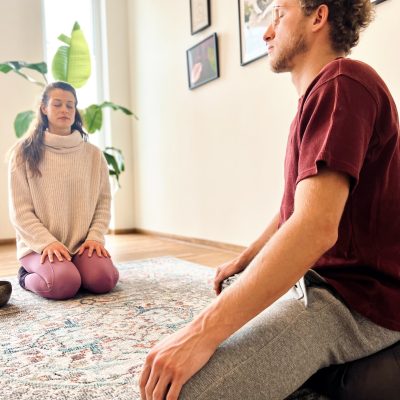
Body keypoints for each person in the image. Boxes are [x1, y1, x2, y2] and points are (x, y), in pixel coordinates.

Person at [139, 1, 400, 399]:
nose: (266, 32)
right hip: (325, 282)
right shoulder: (323, 95)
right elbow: (293, 211)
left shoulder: (343, 83)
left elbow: (313, 227)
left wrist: (199, 334)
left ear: (318, 16)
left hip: (355, 301)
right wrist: (245, 259)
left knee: (183, 392)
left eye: (278, 15)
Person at [8, 81, 119, 300]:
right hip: (39, 246)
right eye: (57, 104)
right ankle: (26, 275)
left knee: (104, 279)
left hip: (82, 243)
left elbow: (103, 203)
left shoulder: (94, 155)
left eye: (70, 105)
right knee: (63, 284)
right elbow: (20, 212)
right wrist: (47, 243)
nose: (64, 110)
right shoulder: (23, 153)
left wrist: (95, 237)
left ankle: (75, 268)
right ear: (44, 108)